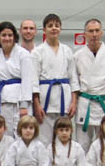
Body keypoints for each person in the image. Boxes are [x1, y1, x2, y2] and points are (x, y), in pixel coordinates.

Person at [31, 13, 79, 146]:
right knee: (44, 139)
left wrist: (74, 102)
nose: (54, 28)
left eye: (57, 26)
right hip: (45, 100)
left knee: (64, 136)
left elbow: (73, 78)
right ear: (44, 29)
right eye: (50, 25)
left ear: (60, 29)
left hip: (64, 99)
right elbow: (34, 80)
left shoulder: (67, 50)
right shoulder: (37, 52)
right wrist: (36, 104)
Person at [74, 19, 105, 150]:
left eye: (97, 31)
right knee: (82, 145)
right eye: (90, 31)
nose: (94, 34)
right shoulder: (78, 55)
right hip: (85, 103)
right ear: (85, 34)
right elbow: (75, 83)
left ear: (101, 33)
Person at [0, 21, 35, 138]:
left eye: (10, 35)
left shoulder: (23, 54)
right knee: (5, 134)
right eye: (3, 35)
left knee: (22, 134)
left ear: (15, 37)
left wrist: (24, 105)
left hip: (20, 101)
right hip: (3, 100)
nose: (7, 38)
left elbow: (27, 80)